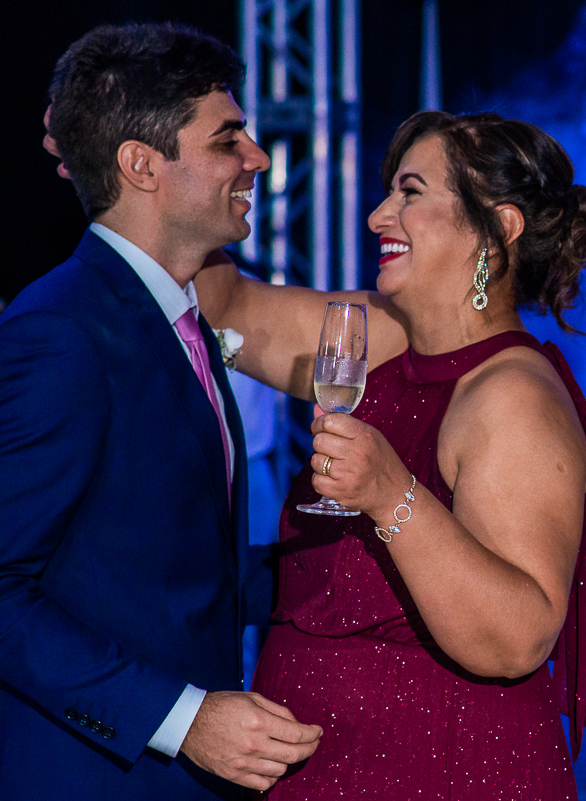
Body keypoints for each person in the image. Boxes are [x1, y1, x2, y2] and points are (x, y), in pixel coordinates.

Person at [193, 109, 586, 799]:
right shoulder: (380, 337)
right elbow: (226, 306)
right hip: (325, 768)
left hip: (438, 766)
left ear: (498, 229)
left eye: (410, 192)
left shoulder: (514, 394)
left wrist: (392, 495)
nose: (379, 215)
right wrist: (142, 170)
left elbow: (518, 635)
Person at [0, 23, 322, 799]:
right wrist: (183, 719)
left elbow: (164, 565)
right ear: (141, 164)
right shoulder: (63, 332)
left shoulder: (177, 321)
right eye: (228, 139)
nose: (258, 157)